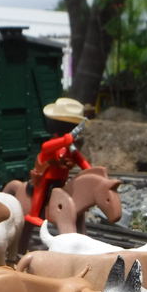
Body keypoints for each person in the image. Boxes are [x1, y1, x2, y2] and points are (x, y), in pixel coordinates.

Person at [25, 97, 91, 227]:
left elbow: (79, 159)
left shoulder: (70, 146)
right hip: (46, 175)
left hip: (61, 179)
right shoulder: (54, 143)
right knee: (42, 188)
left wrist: (91, 170)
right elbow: (46, 147)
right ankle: (33, 214)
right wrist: (64, 140)